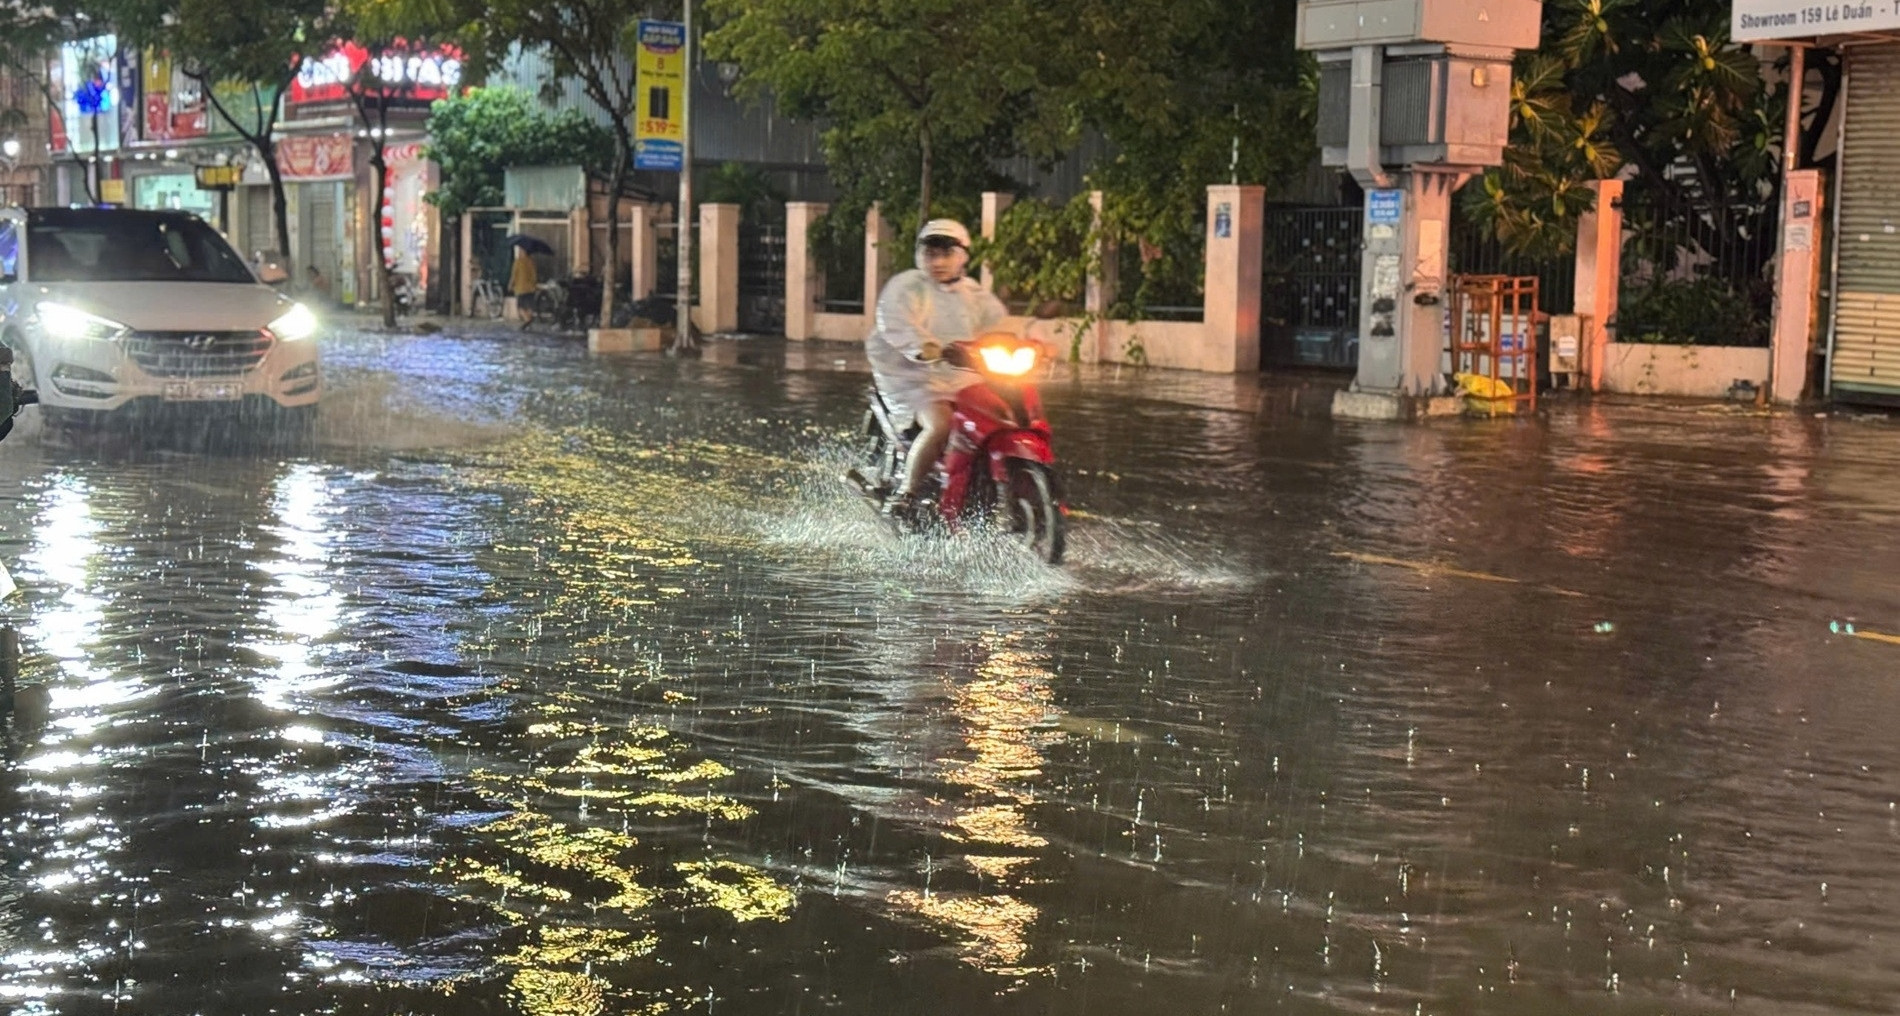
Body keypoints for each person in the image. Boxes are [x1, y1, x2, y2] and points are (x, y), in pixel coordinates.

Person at [866, 218, 1007, 521]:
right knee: (941, 424)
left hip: (962, 375)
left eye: (947, 253)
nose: (939, 262)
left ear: (963, 255)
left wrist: (1032, 346)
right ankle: (907, 493)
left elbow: (1001, 326)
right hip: (914, 376)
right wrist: (926, 348)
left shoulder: (975, 294)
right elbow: (895, 324)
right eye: (931, 254)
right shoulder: (907, 287)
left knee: (1000, 414)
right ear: (920, 255)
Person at [510, 246, 539, 330]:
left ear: (524, 252)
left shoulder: (518, 262)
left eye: (520, 250)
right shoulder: (531, 262)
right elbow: (534, 276)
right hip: (530, 288)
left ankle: (527, 320)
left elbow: (514, 275)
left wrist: (511, 284)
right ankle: (529, 324)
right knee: (529, 305)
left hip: (521, 288)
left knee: (520, 307)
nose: (519, 252)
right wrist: (534, 284)